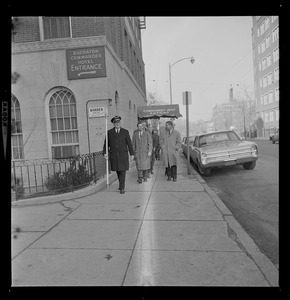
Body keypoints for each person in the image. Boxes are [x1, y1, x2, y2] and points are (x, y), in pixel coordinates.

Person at [103, 116, 134, 194]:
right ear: (113, 124)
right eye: (115, 123)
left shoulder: (125, 132)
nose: (117, 124)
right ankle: (121, 185)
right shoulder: (109, 132)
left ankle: (122, 187)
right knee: (118, 171)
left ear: (120, 123)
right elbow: (106, 144)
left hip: (123, 155)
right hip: (114, 155)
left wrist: (132, 153)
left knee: (122, 171)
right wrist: (105, 153)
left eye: (118, 122)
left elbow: (129, 143)